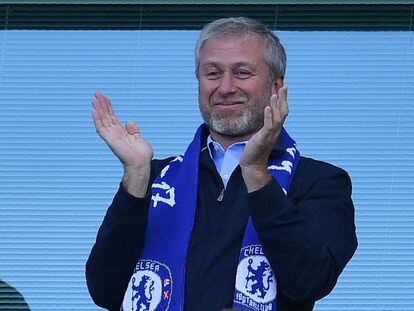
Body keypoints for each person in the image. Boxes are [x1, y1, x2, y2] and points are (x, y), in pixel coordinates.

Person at [86, 17, 357, 311]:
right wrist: (135, 178)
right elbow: (105, 291)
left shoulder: (319, 181)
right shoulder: (155, 178)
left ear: (275, 86)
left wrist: (256, 175)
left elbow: (310, 280)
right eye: (213, 73)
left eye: (242, 72)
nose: (225, 87)